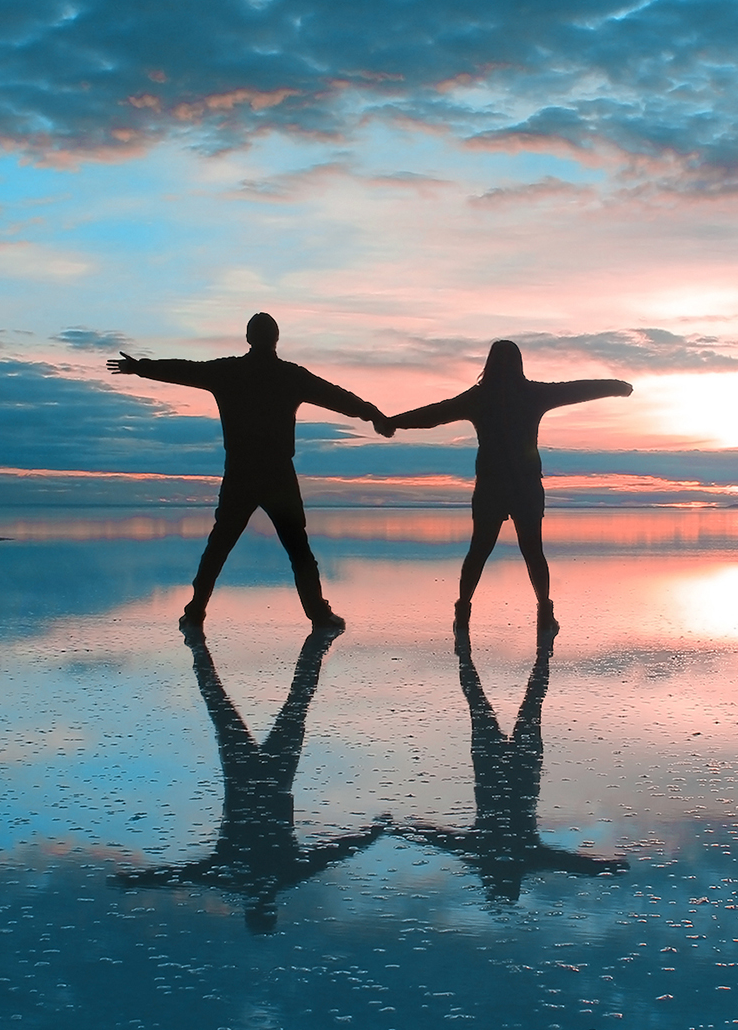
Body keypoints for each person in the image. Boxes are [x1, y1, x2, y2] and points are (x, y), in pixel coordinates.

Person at [109, 313, 391, 628]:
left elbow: (184, 369)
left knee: (220, 545)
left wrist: (141, 367)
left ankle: (195, 611)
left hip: (242, 472)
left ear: (248, 339)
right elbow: (336, 396)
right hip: (276, 473)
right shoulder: (289, 375)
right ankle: (318, 614)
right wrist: (373, 414)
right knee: (297, 548)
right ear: (276, 339)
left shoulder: (229, 371)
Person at [115, 626, 385, 933]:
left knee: (289, 705)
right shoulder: (245, 877)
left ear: (266, 909)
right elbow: (185, 874)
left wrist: (370, 835)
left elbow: (331, 854)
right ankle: (198, 644)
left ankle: (312, 643)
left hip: (268, 778)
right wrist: (136, 881)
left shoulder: (269, 876)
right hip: (251, 778)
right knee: (227, 706)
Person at [387, 340, 630, 631]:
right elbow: (575, 389)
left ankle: (463, 613)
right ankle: (544, 613)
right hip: (524, 486)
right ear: (519, 364)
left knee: (479, 550)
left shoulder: (479, 397)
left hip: (492, 486)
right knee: (532, 551)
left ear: (488, 364)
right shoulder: (532, 393)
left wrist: (392, 422)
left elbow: (435, 414)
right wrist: (615, 386)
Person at [396, 629, 627, 903]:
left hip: (514, 770)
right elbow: (569, 864)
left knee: (521, 704)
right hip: (506, 769)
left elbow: (439, 839)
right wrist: (403, 829)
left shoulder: (514, 855)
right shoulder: (497, 853)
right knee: (488, 703)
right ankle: (475, 655)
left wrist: (403, 828)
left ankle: (528, 654)